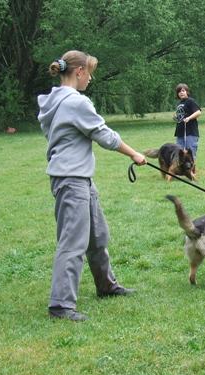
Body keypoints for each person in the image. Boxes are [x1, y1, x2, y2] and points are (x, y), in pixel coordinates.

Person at [37, 50, 146, 321]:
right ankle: (61, 305)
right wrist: (134, 154)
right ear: (79, 71)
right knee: (73, 241)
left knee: (97, 235)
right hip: (71, 179)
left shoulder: (54, 100)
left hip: (79, 177)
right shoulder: (75, 102)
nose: (90, 79)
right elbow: (104, 135)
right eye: (90, 73)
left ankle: (106, 285)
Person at [173, 83, 202, 162]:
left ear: (187, 92)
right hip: (180, 132)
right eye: (179, 91)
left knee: (190, 154)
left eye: (183, 91)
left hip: (190, 132)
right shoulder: (179, 103)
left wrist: (189, 118)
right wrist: (175, 117)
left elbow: (198, 112)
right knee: (180, 154)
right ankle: (181, 169)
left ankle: (192, 169)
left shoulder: (190, 101)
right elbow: (180, 115)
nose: (181, 93)